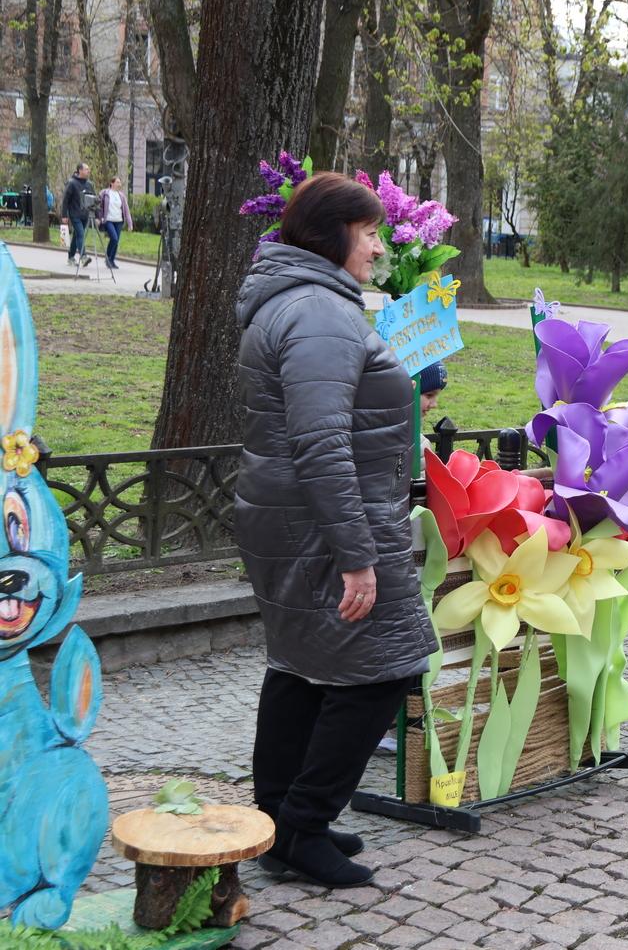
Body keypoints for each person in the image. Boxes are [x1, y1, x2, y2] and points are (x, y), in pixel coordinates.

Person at [234, 172, 437, 888]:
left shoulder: (303, 301)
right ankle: (302, 824)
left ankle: (279, 822)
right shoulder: (318, 311)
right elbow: (321, 442)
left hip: (299, 518)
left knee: (301, 664)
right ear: (332, 236)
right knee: (382, 670)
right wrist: (356, 555)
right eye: (369, 232)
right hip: (328, 524)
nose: (379, 246)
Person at [97, 176, 133, 270]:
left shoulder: (121, 195)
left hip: (119, 221)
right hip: (108, 220)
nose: (119, 184)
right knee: (114, 238)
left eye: (120, 183)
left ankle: (112, 260)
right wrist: (99, 218)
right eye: (117, 182)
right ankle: (108, 258)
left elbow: (126, 210)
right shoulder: (105, 193)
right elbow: (99, 206)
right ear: (112, 183)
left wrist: (130, 223)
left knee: (116, 242)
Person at [61, 164, 93, 267]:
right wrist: (64, 215)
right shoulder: (72, 183)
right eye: (86, 169)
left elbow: (93, 199)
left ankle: (71, 257)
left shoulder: (89, 184)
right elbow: (65, 200)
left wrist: (96, 215)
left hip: (85, 214)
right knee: (81, 234)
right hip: (75, 214)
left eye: (89, 169)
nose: (89, 171)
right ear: (80, 170)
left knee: (76, 236)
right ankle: (83, 256)